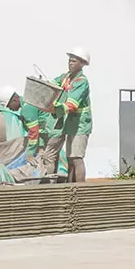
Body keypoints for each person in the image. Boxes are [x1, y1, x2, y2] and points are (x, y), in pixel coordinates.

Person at [41, 48, 92, 184]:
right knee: (70, 158)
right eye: (70, 60)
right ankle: (70, 187)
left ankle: (80, 189)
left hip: (80, 125)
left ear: (82, 64)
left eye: (74, 61)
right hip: (71, 124)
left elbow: (72, 104)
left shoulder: (81, 81)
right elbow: (53, 84)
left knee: (76, 158)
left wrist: (54, 108)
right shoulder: (66, 77)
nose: (70, 63)